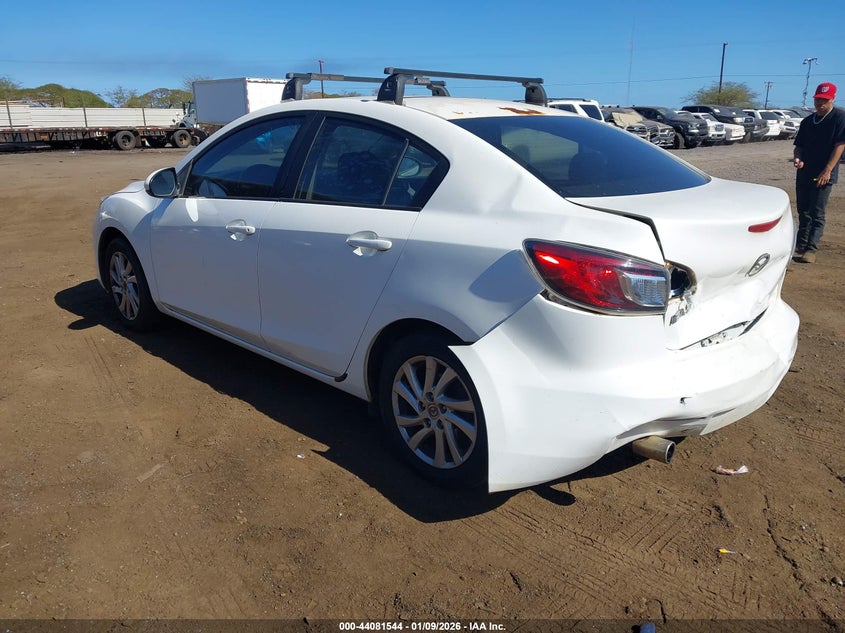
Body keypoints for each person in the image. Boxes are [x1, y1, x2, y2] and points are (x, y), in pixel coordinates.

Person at [792, 82, 845, 263]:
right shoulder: (807, 122)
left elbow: (840, 145)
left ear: (832, 99)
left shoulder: (839, 118)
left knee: (817, 211)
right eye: (818, 100)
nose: (820, 104)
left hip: (824, 172)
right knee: (803, 210)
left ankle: (811, 249)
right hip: (805, 172)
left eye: (824, 100)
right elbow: (799, 145)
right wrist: (798, 158)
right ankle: (800, 244)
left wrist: (828, 170)